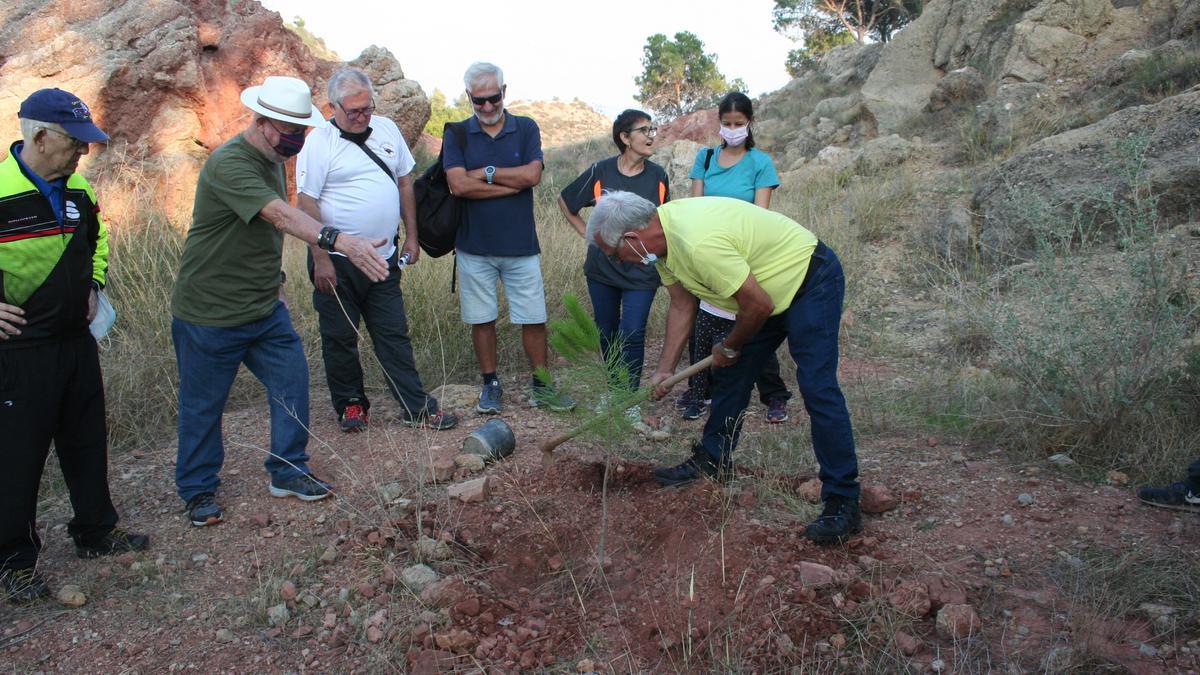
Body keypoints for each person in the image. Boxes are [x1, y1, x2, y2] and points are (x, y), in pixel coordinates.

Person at [171, 76, 389, 528]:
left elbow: (261, 235)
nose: (295, 142)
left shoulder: (273, 158)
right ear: (263, 122)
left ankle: (288, 469)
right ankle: (197, 490)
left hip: (263, 308)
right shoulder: (230, 163)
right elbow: (279, 215)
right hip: (209, 312)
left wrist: (278, 287)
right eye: (289, 133)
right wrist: (340, 242)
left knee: (292, 381)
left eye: (300, 133)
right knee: (203, 404)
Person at [588, 192, 862, 544]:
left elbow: (758, 305)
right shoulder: (658, 244)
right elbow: (682, 305)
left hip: (808, 280)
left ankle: (843, 499)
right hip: (762, 292)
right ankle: (713, 459)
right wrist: (664, 370)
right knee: (730, 376)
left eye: (614, 254)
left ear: (631, 238)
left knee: (817, 386)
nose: (619, 262)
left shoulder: (696, 242)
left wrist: (730, 344)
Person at [0, 88, 149, 603]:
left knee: (86, 440)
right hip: (20, 349)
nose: (82, 152)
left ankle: (95, 530)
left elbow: (98, 242)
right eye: (74, 142)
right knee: (17, 456)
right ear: (41, 136)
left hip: (76, 341)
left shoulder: (78, 190)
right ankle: (13, 563)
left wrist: (94, 286)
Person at [297, 68, 458, 434]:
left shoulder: (386, 129)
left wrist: (413, 238)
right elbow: (306, 203)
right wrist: (321, 259)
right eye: (353, 111)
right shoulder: (319, 141)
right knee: (340, 336)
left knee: (393, 332)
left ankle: (415, 407)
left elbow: (404, 183)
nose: (361, 116)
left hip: (384, 258)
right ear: (334, 106)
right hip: (337, 261)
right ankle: (351, 405)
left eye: (366, 108)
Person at [443, 62, 574, 415]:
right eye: (478, 100)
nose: (487, 107)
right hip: (473, 247)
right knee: (481, 319)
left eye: (493, 98)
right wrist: (509, 185)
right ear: (468, 96)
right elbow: (457, 185)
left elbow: (532, 176)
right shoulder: (455, 133)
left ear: (504, 91)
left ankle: (542, 385)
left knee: (533, 317)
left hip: (521, 246)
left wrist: (485, 175)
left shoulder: (526, 127)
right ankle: (490, 384)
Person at [678, 92, 792, 424]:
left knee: (751, 323)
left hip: (747, 251)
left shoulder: (760, 162)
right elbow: (695, 207)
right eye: (726, 124)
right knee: (703, 324)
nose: (731, 130)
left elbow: (761, 216)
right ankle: (700, 392)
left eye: (738, 124)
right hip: (709, 251)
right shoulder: (707, 158)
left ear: (749, 123)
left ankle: (773, 395)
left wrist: (746, 252)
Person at [558, 110, 670, 410]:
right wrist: (589, 235)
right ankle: (614, 390)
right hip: (602, 270)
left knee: (633, 332)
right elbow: (566, 201)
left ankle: (628, 400)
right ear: (624, 137)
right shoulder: (601, 171)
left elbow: (663, 221)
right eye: (644, 130)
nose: (651, 135)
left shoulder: (658, 176)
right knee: (606, 331)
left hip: (641, 270)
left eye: (653, 129)